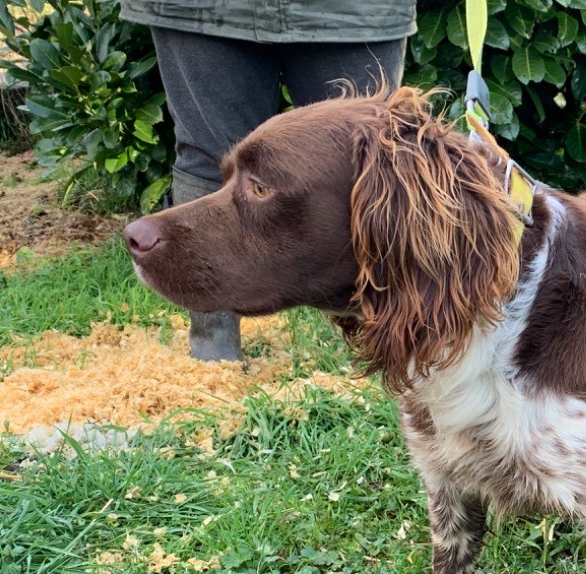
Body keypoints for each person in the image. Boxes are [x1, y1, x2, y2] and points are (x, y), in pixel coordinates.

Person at [119, 1, 415, 360]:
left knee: (381, 166)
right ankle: (213, 360)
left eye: (258, 189)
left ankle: (400, 350)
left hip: (353, 12)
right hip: (205, 10)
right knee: (209, 155)